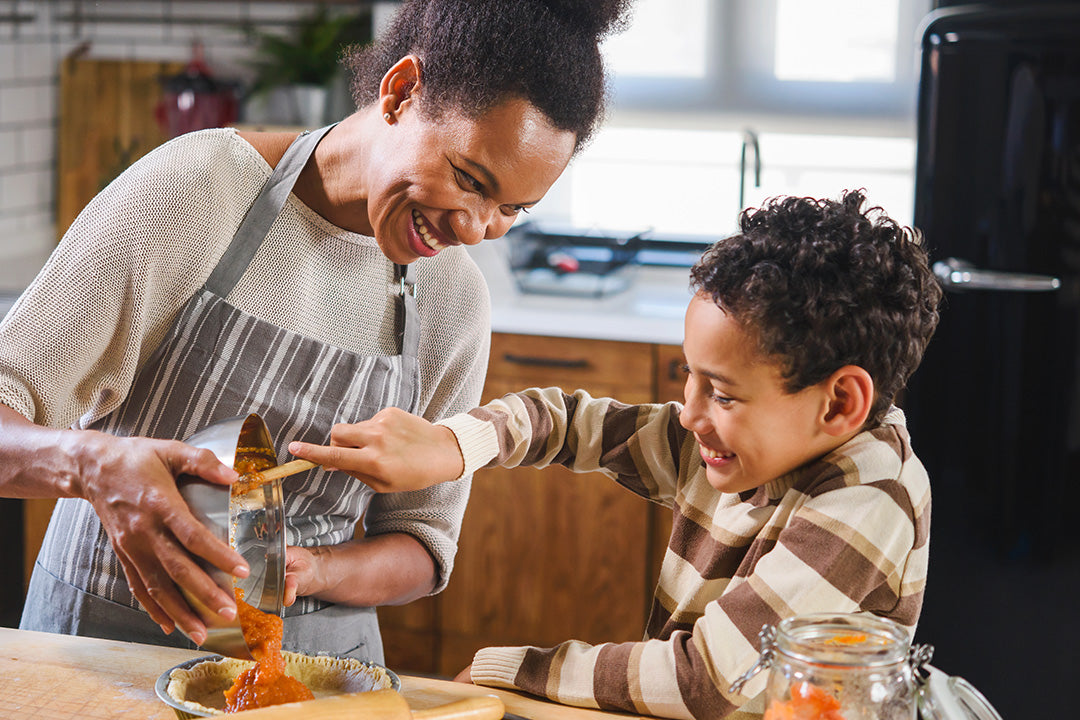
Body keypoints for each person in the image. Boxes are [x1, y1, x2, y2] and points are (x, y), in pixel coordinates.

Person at [0, 0, 631, 664]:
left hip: (320, 669)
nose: (475, 229)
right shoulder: (199, 190)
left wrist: (313, 570)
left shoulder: (453, 299)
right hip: (102, 649)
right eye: (470, 180)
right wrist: (91, 464)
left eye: (512, 209)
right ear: (401, 92)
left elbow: (422, 544)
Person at [289, 190, 944, 717]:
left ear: (839, 403)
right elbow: (569, 422)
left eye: (721, 393)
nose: (689, 414)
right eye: (689, 377)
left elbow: (704, 680)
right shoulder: (743, 445)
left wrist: (511, 669)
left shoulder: (867, 498)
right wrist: (453, 446)